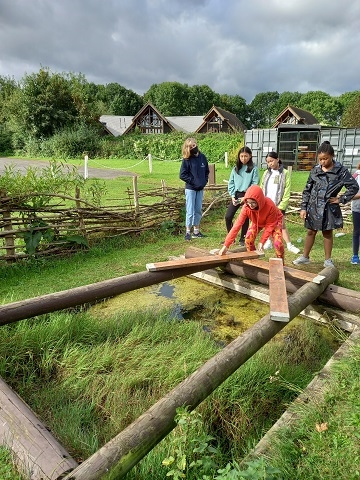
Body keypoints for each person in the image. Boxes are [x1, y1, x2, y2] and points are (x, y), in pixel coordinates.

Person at [293, 141, 359, 267]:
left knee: (327, 233)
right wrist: (303, 208)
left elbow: (354, 187)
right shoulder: (315, 170)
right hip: (313, 206)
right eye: (320, 159)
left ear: (332, 156)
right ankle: (305, 257)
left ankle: (328, 260)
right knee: (311, 231)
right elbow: (307, 190)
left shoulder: (341, 171)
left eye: (325, 159)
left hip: (329, 207)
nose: (322, 162)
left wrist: (341, 199)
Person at [218, 184, 284, 262]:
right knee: (248, 239)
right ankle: (253, 260)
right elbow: (237, 225)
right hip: (257, 221)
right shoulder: (246, 207)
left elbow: (270, 225)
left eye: (253, 203)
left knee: (278, 244)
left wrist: (262, 241)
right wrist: (226, 245)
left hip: (274, 221)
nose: (250, 205)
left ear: (259, 200)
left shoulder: (270, 205)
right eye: (248, 202)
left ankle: (281, 263)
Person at [260, 151, 300, 254]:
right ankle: (268, 241)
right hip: (266, 204)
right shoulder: (266, 173)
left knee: (281, 224)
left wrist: (281, 206)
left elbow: (287, 191)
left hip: (278, 204)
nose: (270, 164)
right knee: (267, 223)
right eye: (268, 162)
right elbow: (262, 187)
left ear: (277, 159)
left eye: (272, 161)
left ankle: (289, 245)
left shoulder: (285, 173)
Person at [224, 146, 259, 246]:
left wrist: (247, 197)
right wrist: (232, 196)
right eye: (242, 156)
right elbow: (231, 183)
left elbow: (255, 183)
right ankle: (231, 237)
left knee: (245, 217)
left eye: (246, 156)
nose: (244, 158)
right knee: (228, 216)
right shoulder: (235, 168)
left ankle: (242, 239)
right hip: (236, 194)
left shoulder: (254, 169)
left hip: (247, 195)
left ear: (250, 156)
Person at [179, 137, 209, 241]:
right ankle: (188, 232)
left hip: (200, 188)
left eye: (194, 145)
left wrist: (204, 182)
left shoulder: (202, 157)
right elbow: (182, 175)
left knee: (198, 210)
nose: (193, 147)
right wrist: (193, 181)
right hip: (191, 188)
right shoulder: (187, 159)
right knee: (190, 210)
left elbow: (206, 171)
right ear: (187, 148)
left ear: (196, 144)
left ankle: (196, 231)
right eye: (190, 146)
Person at [350, 162, 360, 264]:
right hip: (357, 209)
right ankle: (355, 256)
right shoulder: (356, 176)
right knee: (357, 232)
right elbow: (350, 195)